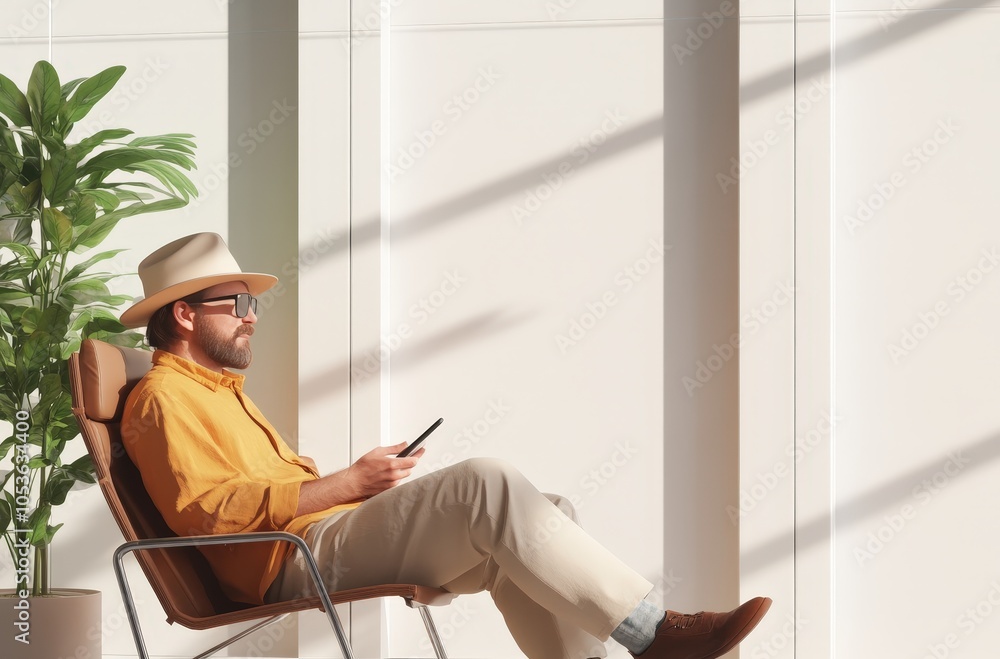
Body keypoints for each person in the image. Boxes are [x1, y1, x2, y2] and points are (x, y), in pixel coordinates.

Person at [119, 232, 771, 659]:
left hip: (321, 536)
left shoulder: (219, 390)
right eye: (235, 302)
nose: (252, 314)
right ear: (184, 314)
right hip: (290, 559)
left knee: (547, 511)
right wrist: (349, 482)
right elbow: (208, 514)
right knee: (484, 482)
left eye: (252, 301)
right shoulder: (164, 399)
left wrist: (359, 486)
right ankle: (654, 633)